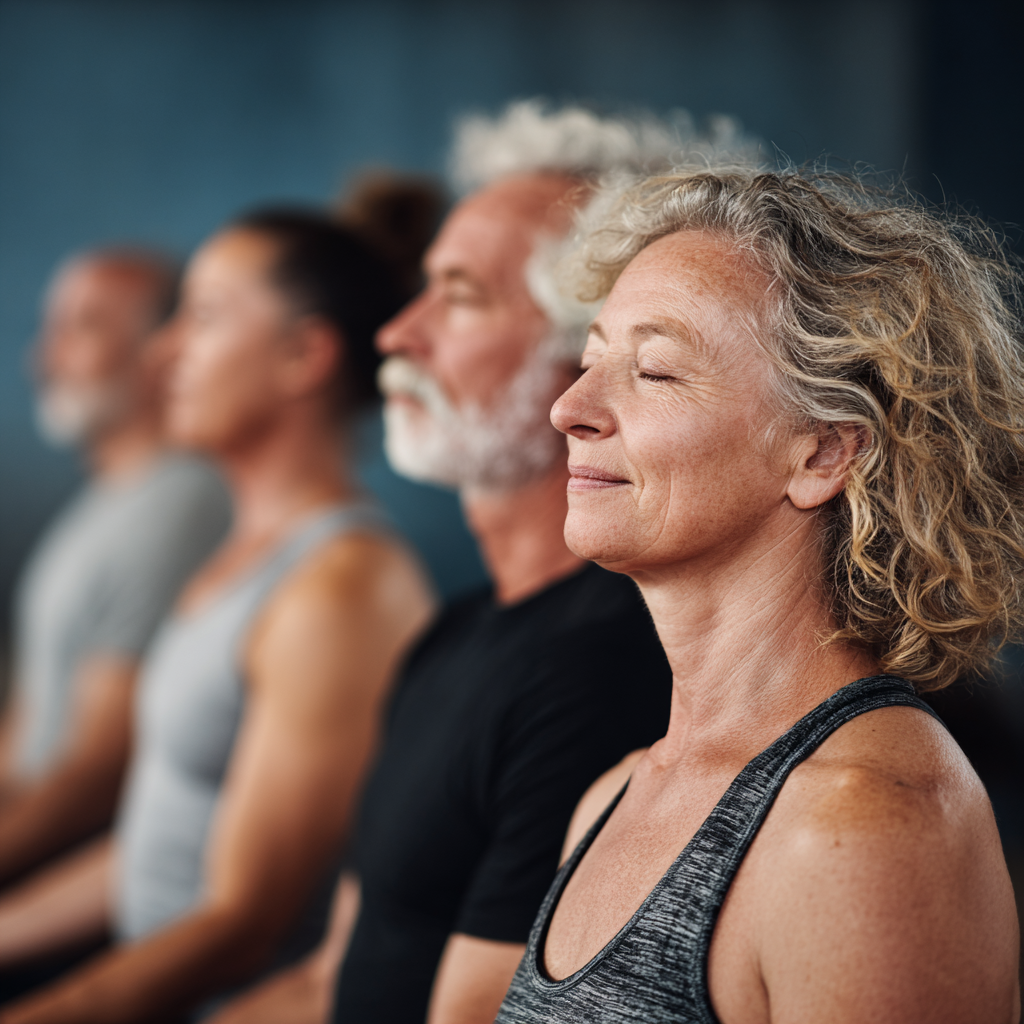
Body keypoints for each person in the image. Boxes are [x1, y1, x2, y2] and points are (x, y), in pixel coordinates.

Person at [208, 102, 742, 1024]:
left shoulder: (605, 670)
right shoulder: (454, 634)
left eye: (458, 296)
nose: (396, 334)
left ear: (582, 350)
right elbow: (329, 982)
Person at [495, 166, 1024, 1023]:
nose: (569, 407)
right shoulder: (614, 796)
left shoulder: (866, 826)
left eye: (655, 372)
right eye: (590, 360)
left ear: (821, 453)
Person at [0, 208, 436, 1021]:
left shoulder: (341, 585)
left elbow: (241, 922)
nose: (162, 354)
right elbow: (156, 844)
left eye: (199, 318)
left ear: (304, 356)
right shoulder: (236, 558)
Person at [0, 249, 229, 887]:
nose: (44, 359)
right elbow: (29, 733)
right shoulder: (110, 496)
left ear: (164, 350)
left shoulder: (178, 504)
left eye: (85, 327)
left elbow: (101, 768)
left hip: (80, 887)